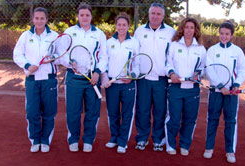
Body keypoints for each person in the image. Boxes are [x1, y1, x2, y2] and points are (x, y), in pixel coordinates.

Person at [59, 3, 107, 152]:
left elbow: (104, 56)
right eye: (82, 15)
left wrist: (98, 72)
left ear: (91, 16)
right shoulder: (69, 32)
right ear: (78, 16)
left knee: (92, 111)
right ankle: (73, 139)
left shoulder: (99, 34)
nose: (84, 18)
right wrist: (69, 62)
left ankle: (88, 140)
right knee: (73, 111)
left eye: (87, 15)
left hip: (92, 78)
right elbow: (62, 54)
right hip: (73, 78)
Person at [13, 7, 59, 153]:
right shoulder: (26, 36)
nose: (39, 21)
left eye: (42, 18)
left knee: (49, 112)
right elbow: (17, 54)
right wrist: (27, 65)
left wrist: (54, 58)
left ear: (46, 20)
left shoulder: (54, 36)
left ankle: (45, 140)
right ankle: (35, 140)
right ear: (33, 19)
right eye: (37, 18)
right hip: (32, 80)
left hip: (49, 80)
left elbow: (62, 56)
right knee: (32, 112)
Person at [203, 21, 245, 163]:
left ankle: (230, 151)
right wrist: (221, 86)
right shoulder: (212, 50)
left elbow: (243, 69)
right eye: (222, 33)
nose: (224, 36)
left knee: (230, 122)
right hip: (216, 92)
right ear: (219, 34)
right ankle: (209, 148)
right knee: (212, 120)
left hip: (232, 94)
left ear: (231, 35)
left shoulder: (237, 51)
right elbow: (209, 70)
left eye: (227, 34)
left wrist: (235, 84)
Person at [134, 3, 175, 151]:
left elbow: (173, 55)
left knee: (160, 110)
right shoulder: (139, 31)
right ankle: (142, 137)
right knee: (142, 110)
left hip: (161, 79)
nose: (155, 16)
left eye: (158, 14)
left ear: (163, 16)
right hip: (143, 78)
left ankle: (158, 139)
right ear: (149, 14)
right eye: (153, 13)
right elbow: (135, 54)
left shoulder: (171, 32)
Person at [164, 18, 206, 156]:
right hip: (176, 88)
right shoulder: (174, 45)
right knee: (174, 119)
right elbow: (168, 64)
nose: (189, 30)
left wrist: (197, 75)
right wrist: (172, 74)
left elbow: (203, 68)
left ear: (195, 30)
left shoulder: (200, 49)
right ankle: (171, 144)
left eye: (191, 28)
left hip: (193, 90)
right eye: (186, 27)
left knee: (189, 119)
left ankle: (184, 144)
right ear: (182, 29)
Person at [101, 12, 139, 154]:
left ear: (128, 26)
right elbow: (104, 60)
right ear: (115, 26)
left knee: (127, 113)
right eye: (119, 24)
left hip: (128, 84)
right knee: (113, 113)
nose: (121, 27)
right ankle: (114, 138)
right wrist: (104, 76)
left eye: (124, 25)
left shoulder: (134, 42)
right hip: (112, 84)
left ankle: (123, 141)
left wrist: (132, 76)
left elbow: (137, 63)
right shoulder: (109, 42)